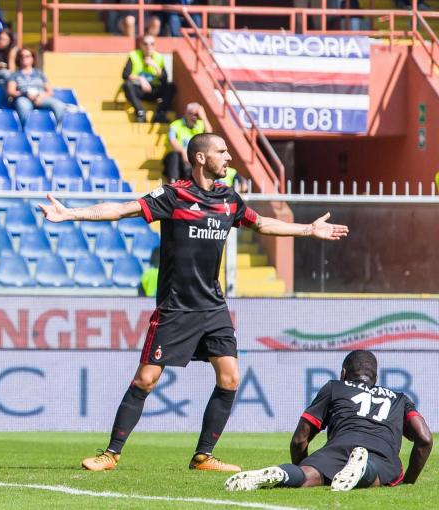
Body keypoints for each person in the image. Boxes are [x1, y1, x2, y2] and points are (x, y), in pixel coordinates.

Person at [38, 132, 349, 474]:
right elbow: (123, 209)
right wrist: (71, 215)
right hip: (177, 307)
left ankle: (203, 456)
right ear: (201, 158)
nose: (229, 158)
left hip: (213, 307)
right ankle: (110, 454)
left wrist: (308, 230)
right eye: (222, 152)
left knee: (229, 378)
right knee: (146, 380)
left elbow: (261, 224)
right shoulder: (174, 195)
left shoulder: (229, 199)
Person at [225, 350, 432, 492]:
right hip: (380, 453)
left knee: (309, 475)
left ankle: (283, 474)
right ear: (375, 379)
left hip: (337, 448)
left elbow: (300, 438)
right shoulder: (399, 399)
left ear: (343, 373)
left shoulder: (335, 387)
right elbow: (424, 438)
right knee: (372, 474)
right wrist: (409, 482)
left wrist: (303, 466)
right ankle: (363, 469)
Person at [121, 35, 175, 123]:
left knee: (171, 87)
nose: (148, 47)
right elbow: (125, 75)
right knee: (127, 85)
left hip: (153, 90)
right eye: (145, 44)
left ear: (155, 46)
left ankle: (160, 113)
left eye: (151, 44)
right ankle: (140, 112)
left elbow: (164, 79)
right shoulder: (134, 55)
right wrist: (141, 79)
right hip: (139, 90)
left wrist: (155, 66)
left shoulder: (159, 58)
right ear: (141, 45)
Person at [7, 47, 66, 125]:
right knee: (24, 107)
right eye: (21, 56)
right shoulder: (15, 75)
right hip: (23, 97)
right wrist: (25, 94)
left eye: (27, 56)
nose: (24, 58)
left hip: (40, 97)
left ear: (33, 58)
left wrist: (40, 96)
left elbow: (50, 92)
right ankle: (28, 130)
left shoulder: (40, 74)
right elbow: (11, 91)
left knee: (59, 106)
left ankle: (52, 129)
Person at [164, 103, 207, 182]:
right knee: (175, 155)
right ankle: (173, 182)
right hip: (176, 160)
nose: (194, 117)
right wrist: (183, 152)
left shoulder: (200, 124)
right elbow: (172, 141)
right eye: (192, 114)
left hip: (192, 159)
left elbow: (210, 136)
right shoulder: (175, 125)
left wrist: (204, 118)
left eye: (196, 115)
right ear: (186, 113)